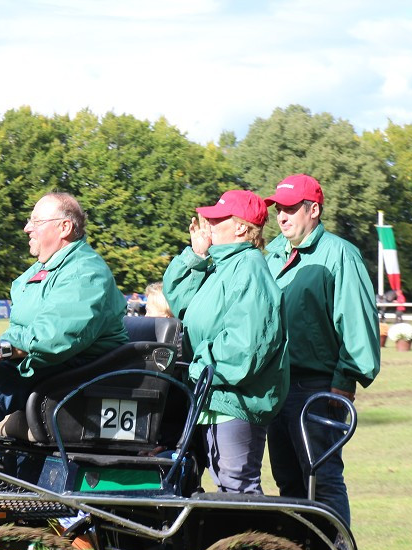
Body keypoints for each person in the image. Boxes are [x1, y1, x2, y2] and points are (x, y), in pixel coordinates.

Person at [0, 192, 128, 467]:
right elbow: (25, 328)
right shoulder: (43, 270)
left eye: (36, 221)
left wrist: (1, 350)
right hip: (47, 366)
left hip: (80, 375)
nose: (27, 228)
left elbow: (56, 336)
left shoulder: (85, 272)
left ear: (64, 227)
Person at [263, 174, 380, 526]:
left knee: (323, 483)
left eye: (290, 208)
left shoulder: (341, 254)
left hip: (317, 389)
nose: (281, 216)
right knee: (289, 486)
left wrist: (345, 380)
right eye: (277, 209)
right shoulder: (269, 255)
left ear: (313, 209)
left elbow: (358, 323)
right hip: (276, 390)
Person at [163, 190, 289, 494]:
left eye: (218, 218)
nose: (209, 222)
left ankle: (259, 544)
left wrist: (197, 366)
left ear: (242, 228)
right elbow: (180, 301)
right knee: (211, 489)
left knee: (237, 491)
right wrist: (196, 254)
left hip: (236, 402)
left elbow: (244, 349)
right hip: (214, 397)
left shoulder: (248, 270)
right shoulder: (224, 266)